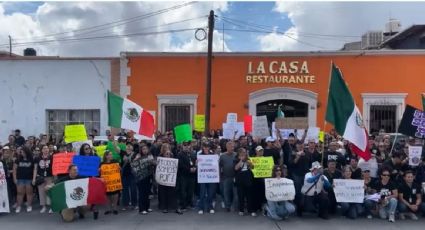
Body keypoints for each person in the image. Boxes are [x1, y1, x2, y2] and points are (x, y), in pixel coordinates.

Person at [131, 145, 155, 215]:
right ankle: (142, 209)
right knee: (142, 193)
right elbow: (133, 165)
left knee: (147, 192)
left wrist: (152, 161)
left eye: (146, 149)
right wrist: (136, 159)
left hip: (148, 177)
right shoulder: (138, 156)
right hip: (140, 178)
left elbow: (154, 164)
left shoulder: (150, 156)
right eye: (143, 149)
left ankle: (147, 207)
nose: (145, 150)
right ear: (141, 150)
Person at [157, 149, 182, 214]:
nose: (168, 155)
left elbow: (178, 169)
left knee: (174, 194)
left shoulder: (174, 161)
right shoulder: (161, 161)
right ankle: (165, 208)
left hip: (171, 180)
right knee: (164, 194)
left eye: (169, 154)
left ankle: (176, 207)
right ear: (164, 154)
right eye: (166, 154)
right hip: (163, 181)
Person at [13, 146, 36, 213]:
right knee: (19, 193)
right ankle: (19, 206)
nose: (21, 153)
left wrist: (33, 179)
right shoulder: (18, 159)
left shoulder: (32, 159)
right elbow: (14, 169)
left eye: (23, 152)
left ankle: (29, 205)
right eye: (21, 152)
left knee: (29, 193)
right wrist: (15, 178)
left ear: (26, 152)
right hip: (20, 179)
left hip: (29, 179)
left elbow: (35, 169)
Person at [197, 142, 218, 214]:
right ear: (203, 148)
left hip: (211, 177)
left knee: (210, 193)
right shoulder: (200, 155)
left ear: (209, 148)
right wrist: (197, 163)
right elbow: (198, 166)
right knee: (202, 193)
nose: (206, 148)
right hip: (203, 177)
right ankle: (201, 208)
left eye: (207, 147)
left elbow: (215, 165)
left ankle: (210, 207)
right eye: (205, 147)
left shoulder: (212, 155)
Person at [234, 147, 255, 216]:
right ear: (239, 153)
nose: (244, 153)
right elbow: (236, 168)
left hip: (248, 179)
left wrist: (250, 163)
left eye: (245, 152)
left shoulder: (248, 159)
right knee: (241, 195)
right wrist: (241, 160)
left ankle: (250, 209)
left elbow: (252, 167)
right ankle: (241, 209)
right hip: (240, 179)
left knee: (249, 195)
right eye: (243, 152)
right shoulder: (236, 159)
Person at [177, 141, 197, 211]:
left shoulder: (192, 154)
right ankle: (183, 205)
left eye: (187, 145)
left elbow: (194, 162)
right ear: (182, 146)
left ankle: (190, 203)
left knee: (190, 191)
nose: (186, 147)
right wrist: (189, 169)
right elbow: (181, 165)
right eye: (184, 145)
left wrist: (195, 167)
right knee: (183, 191)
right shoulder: (179, 155)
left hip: (191, 176)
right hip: (183, 176)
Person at [100, 151, 121, 215]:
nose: (111, 156)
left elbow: (120, 170)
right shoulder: (102, 163)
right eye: (109, 155)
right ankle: (108, 209)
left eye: (111, 154)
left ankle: (115, 208)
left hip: (114, 182)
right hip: (106, 183)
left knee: (115, 195)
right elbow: (99, 172)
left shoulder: (115, 162)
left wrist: (119, 168)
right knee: (107, 195)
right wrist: (99, 170)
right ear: (106, 156)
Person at [34, 145, 53, 214]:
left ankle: (51, 207)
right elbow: (35, 168)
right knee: (41, 192)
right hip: (40, 177)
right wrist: (34, 178)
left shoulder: (51, 157)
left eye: (47, 148)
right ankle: (43, 206)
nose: (46, 149)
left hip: (49, 176)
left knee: (50, 191)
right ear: (41, 150)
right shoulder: (37, 158)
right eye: (44, 148)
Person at [219, 141, 237, 212]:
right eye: (230, 147)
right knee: (226, 192)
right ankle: (227, 206)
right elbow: (219, 166)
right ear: (227, 147)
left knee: (235, 193)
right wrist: (220, 176)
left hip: (235, 177)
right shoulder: (222, 156)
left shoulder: (236, 155)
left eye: (233, 147)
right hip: (226, 177)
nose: (232, 148)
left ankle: (235, 206)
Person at [120, 143, 138, 211]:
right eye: (127, 146)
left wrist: (130, 160)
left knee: (133, 189)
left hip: (132, 174)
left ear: (132, 147)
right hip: (124, 174)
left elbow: (136, 161)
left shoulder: (135, 154)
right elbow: (117, 149)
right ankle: (125, 204)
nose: (129, 147)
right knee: (125, 190)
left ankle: (134, 204)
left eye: (130, 146)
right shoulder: (123, 153)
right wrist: (114, 141)